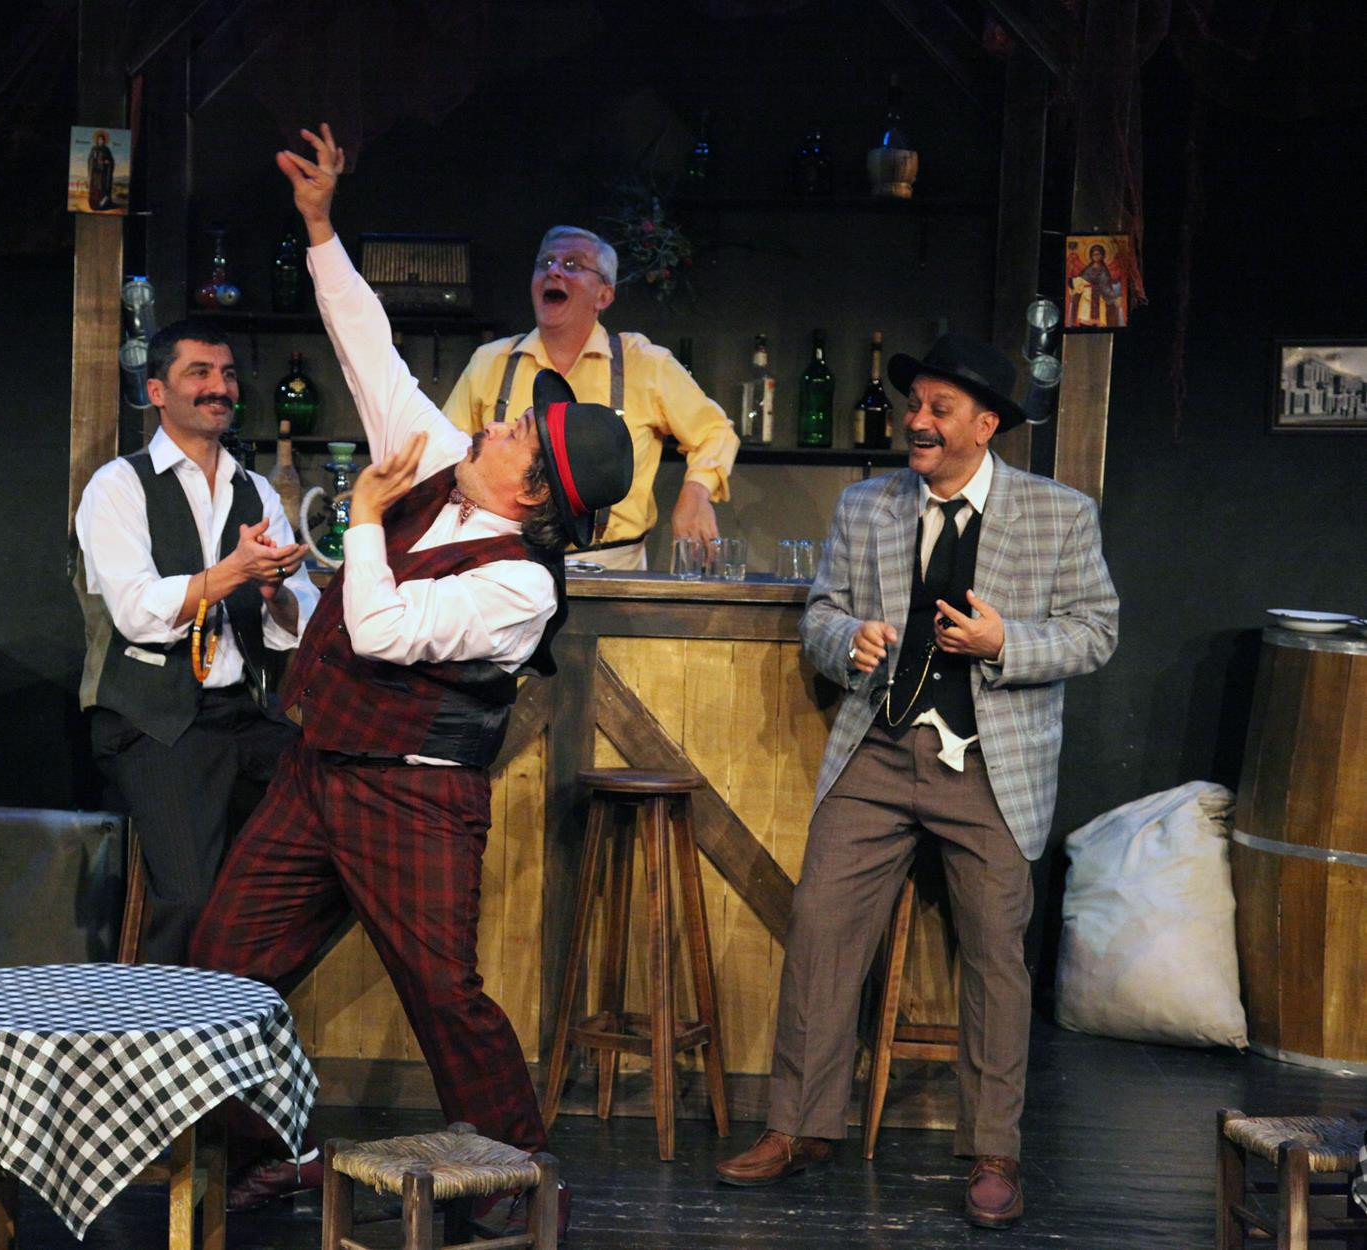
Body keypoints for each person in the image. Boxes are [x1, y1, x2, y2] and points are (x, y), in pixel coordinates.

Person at [188, 125, 632, 1233]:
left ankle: (514, 1176)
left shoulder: (519, 585)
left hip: (414, 794)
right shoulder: (440, 459)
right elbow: (370, 349)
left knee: (443, 993)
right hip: (319, 767)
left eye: (519, 432)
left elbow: (383, 629)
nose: (499, 421)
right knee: (227, 963)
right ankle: (262, 1152)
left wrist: (362, 517)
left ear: (534, 493)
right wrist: (319, 226)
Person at [712, 333, 1118, 1230]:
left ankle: (992, 1150)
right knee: (819, 930)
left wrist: (1005, 642)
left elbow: (1095, 631)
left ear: (985, 425)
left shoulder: (1058, 515)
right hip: (877, 752)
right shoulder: (866, 506)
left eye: (939, 409)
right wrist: (844, 641)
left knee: (995, 956)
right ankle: (797, 1127)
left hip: (990, 765)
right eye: (915, 406)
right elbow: (820, 612)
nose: (917, 422)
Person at [74, 318, 319, 964]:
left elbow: (301, 618)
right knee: (189, 898)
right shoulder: (118, 486)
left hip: (243, 713)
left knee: (342, 843)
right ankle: (165, 1021)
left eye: (228, 374)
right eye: (200, 373)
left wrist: (274, 592)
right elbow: (136, 613)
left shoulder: (255, 491)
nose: (220, 387)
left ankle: (250, 997)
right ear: (157, 391)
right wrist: (232, 572)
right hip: (155, 718)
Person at [440, 225, 738, 569]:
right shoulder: (491, 361)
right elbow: (445, 450)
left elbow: (715, 431)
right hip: (505, 563)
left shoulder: (645, 363)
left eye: (572, 264)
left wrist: (696, 492)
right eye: (546, 262)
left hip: (614, 568)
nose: (554, 270)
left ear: (604, 296)